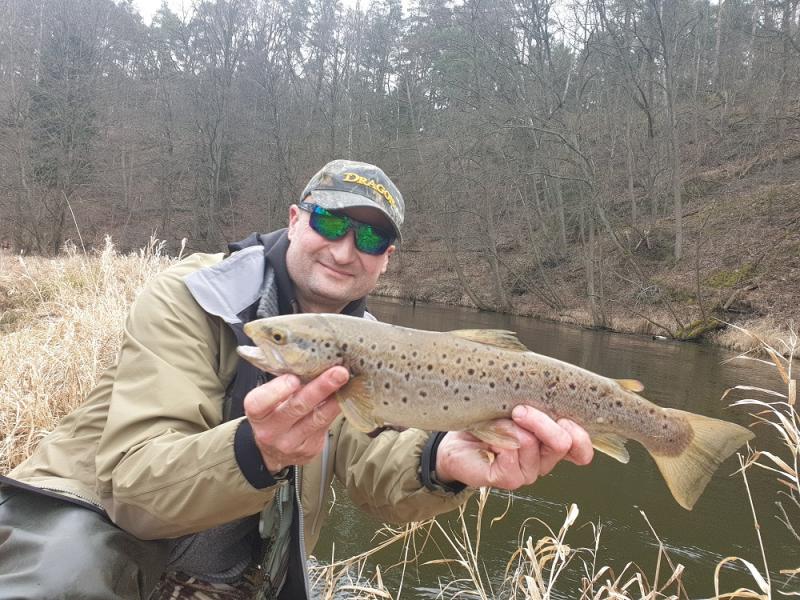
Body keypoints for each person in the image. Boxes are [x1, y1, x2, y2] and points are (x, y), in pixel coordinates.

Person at [0, 160, 594, 599]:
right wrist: (255, 450)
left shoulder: (369, 347)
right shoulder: (190, 296)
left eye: (371, 237)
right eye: (330, 222)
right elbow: (134, 494)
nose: (345, 249)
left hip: (232, 572)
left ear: (387, 259)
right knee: (67, 573)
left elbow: (373, 468)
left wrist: (443, 461)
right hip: (97, 531)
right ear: (295, 218)